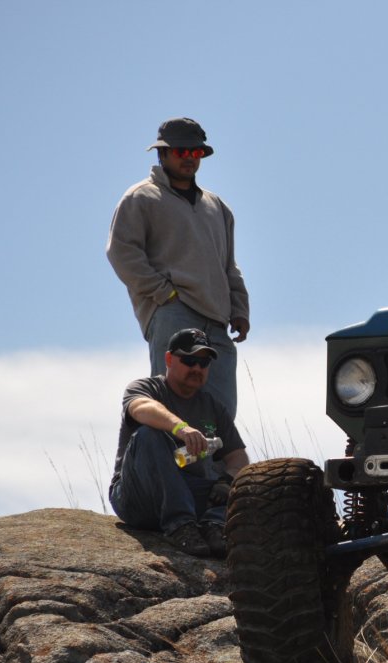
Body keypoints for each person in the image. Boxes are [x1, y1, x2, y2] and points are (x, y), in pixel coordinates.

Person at [107, 117, 250, 417]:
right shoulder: (141, 197)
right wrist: (164, 295)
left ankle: (215, 466)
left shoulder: (218, 207)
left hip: (217, 321)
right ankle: (176, 464)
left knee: (221, 414)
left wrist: (239, 309)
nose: (190, 159)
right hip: (175, 313)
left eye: (196, 153)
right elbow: (121, 252)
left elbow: (229, 265)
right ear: (163, 154)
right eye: (182, 152)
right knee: (177, 408)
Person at [109, 328, 250, 557]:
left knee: (247, 485)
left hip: (187, 491)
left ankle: (214, 526)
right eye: (189, 359)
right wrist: (180, 428)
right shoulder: (146, 388)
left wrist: (227, 480)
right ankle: (180, 526)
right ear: (168, 359)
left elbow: (237, 457)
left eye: (203, 363)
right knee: (149, 434)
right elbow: (141, 408)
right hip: (137, 495)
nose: (196, 368)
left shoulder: (213, 406)